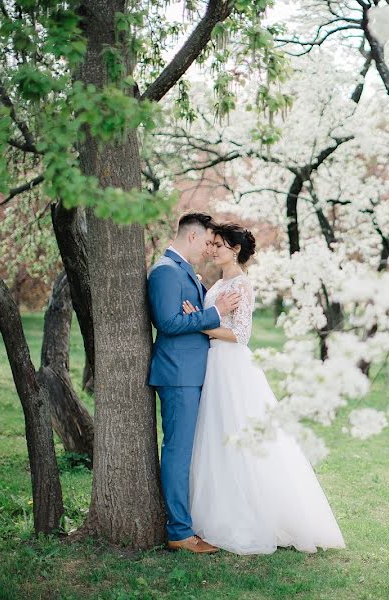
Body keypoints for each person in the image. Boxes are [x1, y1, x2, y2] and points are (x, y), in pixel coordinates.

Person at [184, 222, 346, 554]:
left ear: (236, 249)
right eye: (211, 244)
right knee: (218, 437)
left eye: (219, 245)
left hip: (231, 366)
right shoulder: (220, 282)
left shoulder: (241, 284)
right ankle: (219, 507)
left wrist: (199, 326)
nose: (212, 249)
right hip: (216, 365)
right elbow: (219, 317)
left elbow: (240, 334)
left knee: (238, 435)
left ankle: (254, 514)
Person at [147, 213, 242, 553]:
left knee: (192, 452)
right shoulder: (164, 272)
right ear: (192, 236)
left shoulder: (185, 271)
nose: (208, 249)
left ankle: (192, 521)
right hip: (178, 376)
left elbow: (190, 315)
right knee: (178, 451)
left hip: (195, 373)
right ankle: (180, 532)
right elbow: (170, 322)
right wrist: (214, 312)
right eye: (206, 242)